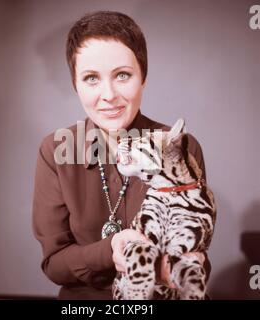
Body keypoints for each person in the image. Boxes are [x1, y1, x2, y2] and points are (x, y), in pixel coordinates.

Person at [32, 10, 211, 300]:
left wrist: (182, 268)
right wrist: (108, 251)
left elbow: (196, 250)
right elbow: (54, 264)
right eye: (91, 78)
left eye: (123, 75)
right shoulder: (54, 151)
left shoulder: (180, 147)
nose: (109, 94)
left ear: (143, 77)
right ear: (75, 84)